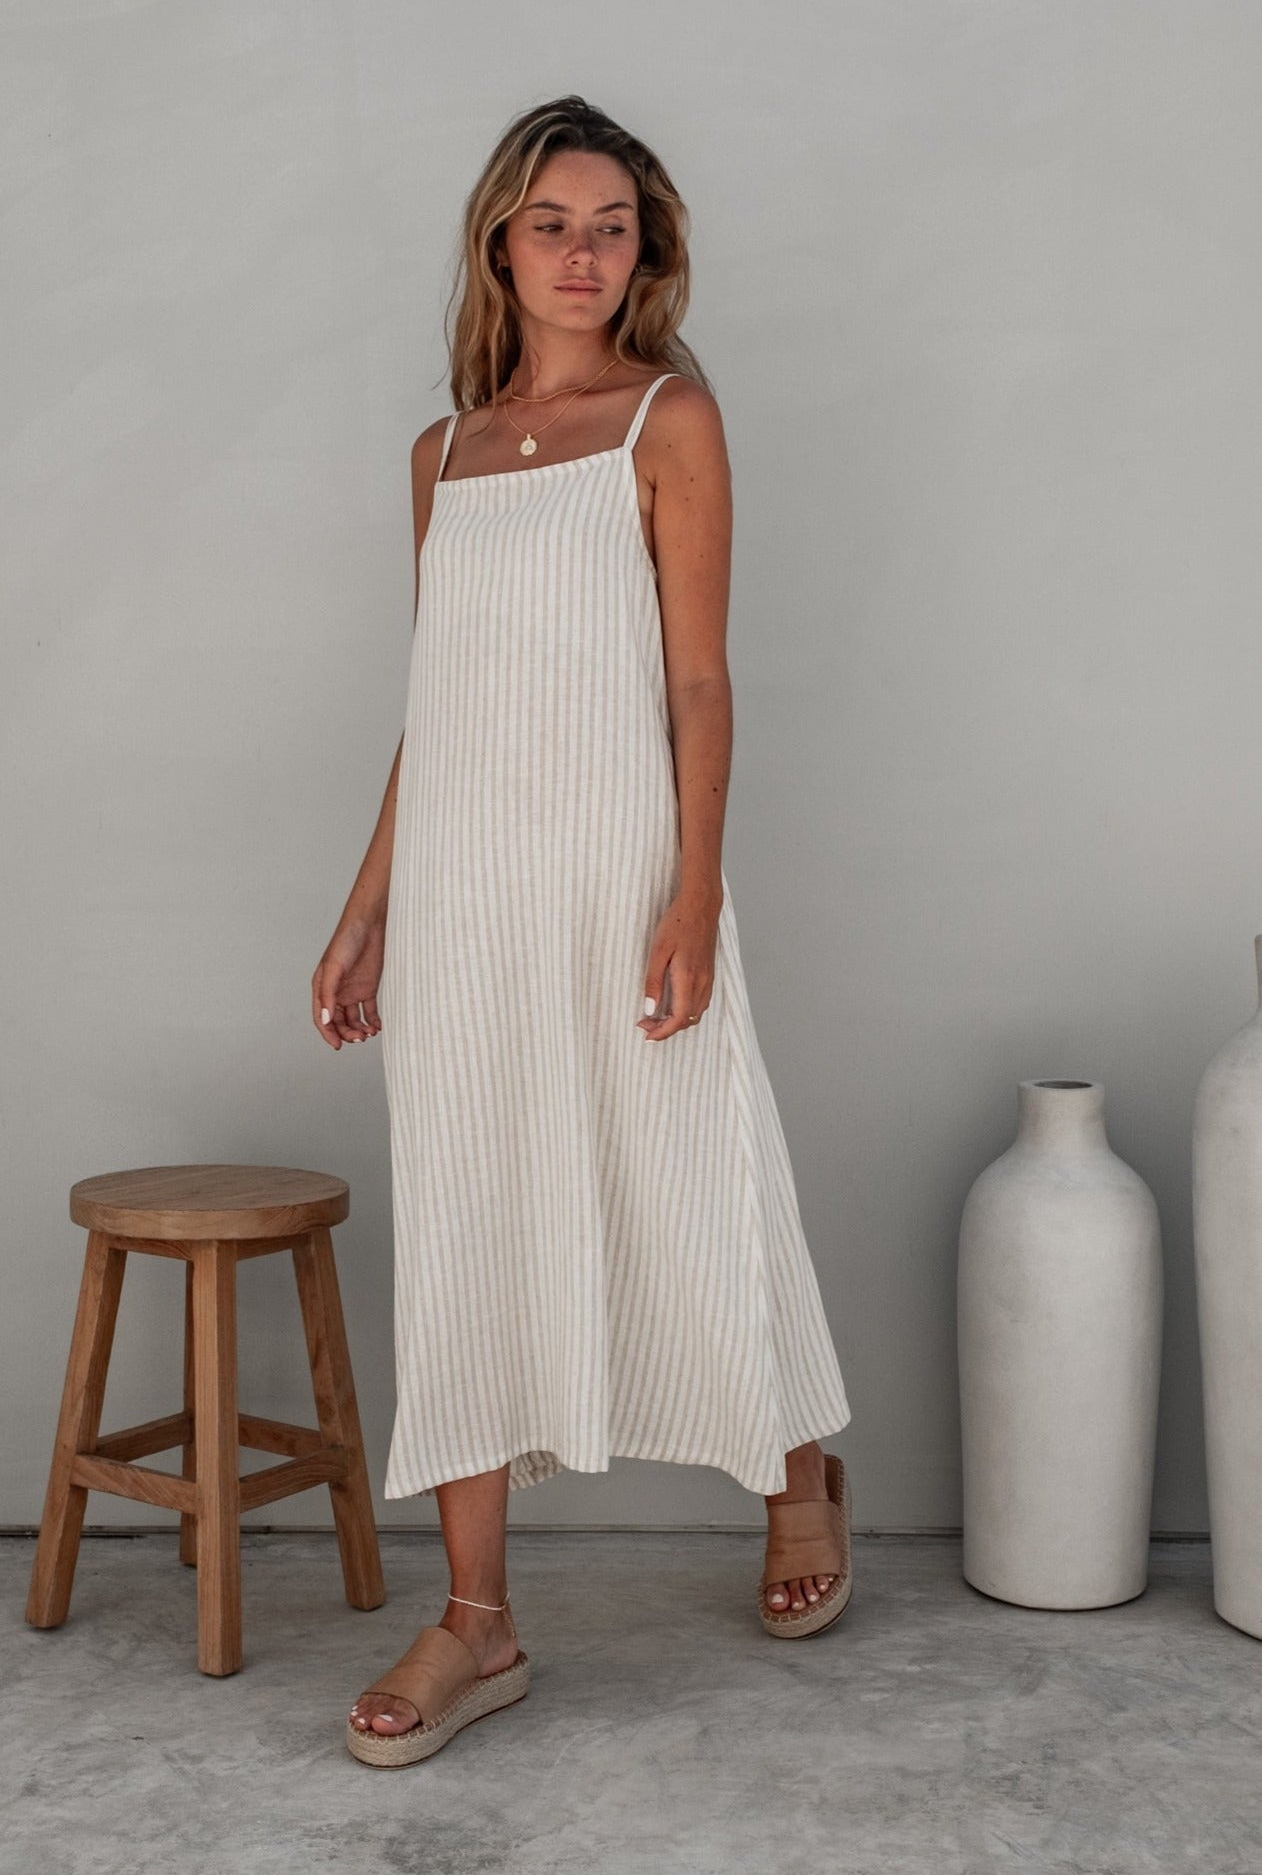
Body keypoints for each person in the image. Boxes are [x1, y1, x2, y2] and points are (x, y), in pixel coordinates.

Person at [312, 94, 854, 1770]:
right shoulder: (447, 453)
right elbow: (440, 697)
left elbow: (697, 676)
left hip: (618, 867)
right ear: (500, 241)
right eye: (551, 222)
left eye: (611, 224)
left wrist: (693, 887)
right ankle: (477, 1617)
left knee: (685, 1157)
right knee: (472, 1193)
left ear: (646, 249)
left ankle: (796, 1469)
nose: (581, 252)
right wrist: (369, 902)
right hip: (469, 888)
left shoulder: (665, 420)